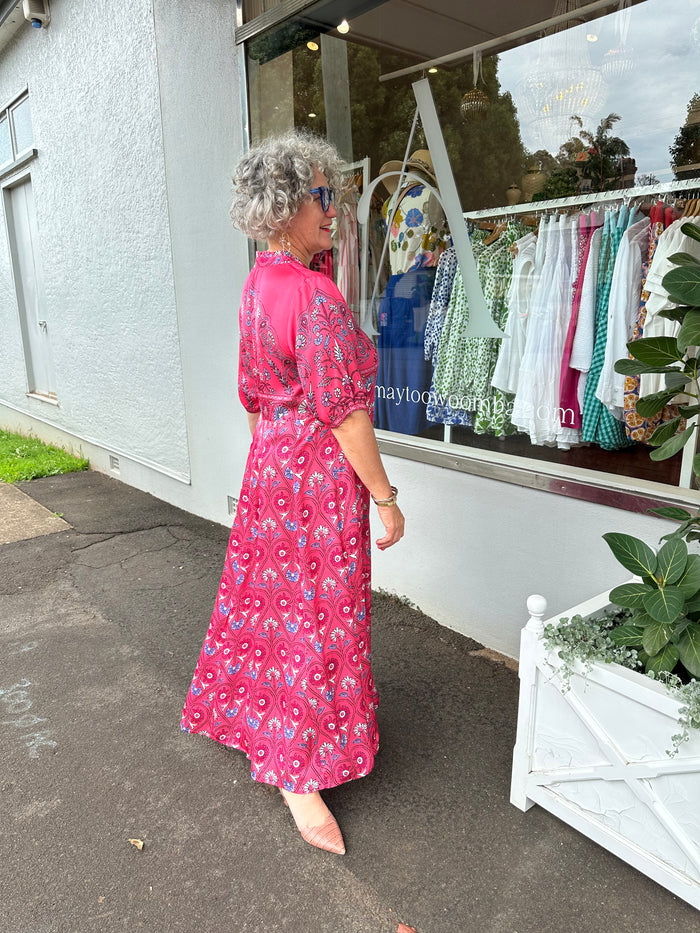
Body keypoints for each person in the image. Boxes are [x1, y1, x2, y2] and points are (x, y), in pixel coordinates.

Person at [180, 130, 405, 856]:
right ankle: (297, 771)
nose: (332, 208)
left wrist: (270, 464)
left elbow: (251, 392)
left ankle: (265, 723)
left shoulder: (259, 283)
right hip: (317, 477)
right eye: (321, 195)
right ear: (284, 207)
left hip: (272, 466)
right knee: (316, 615)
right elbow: (345, 414)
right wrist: (385, 496)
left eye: (332, 194)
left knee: (272, 608)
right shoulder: (315, 295)